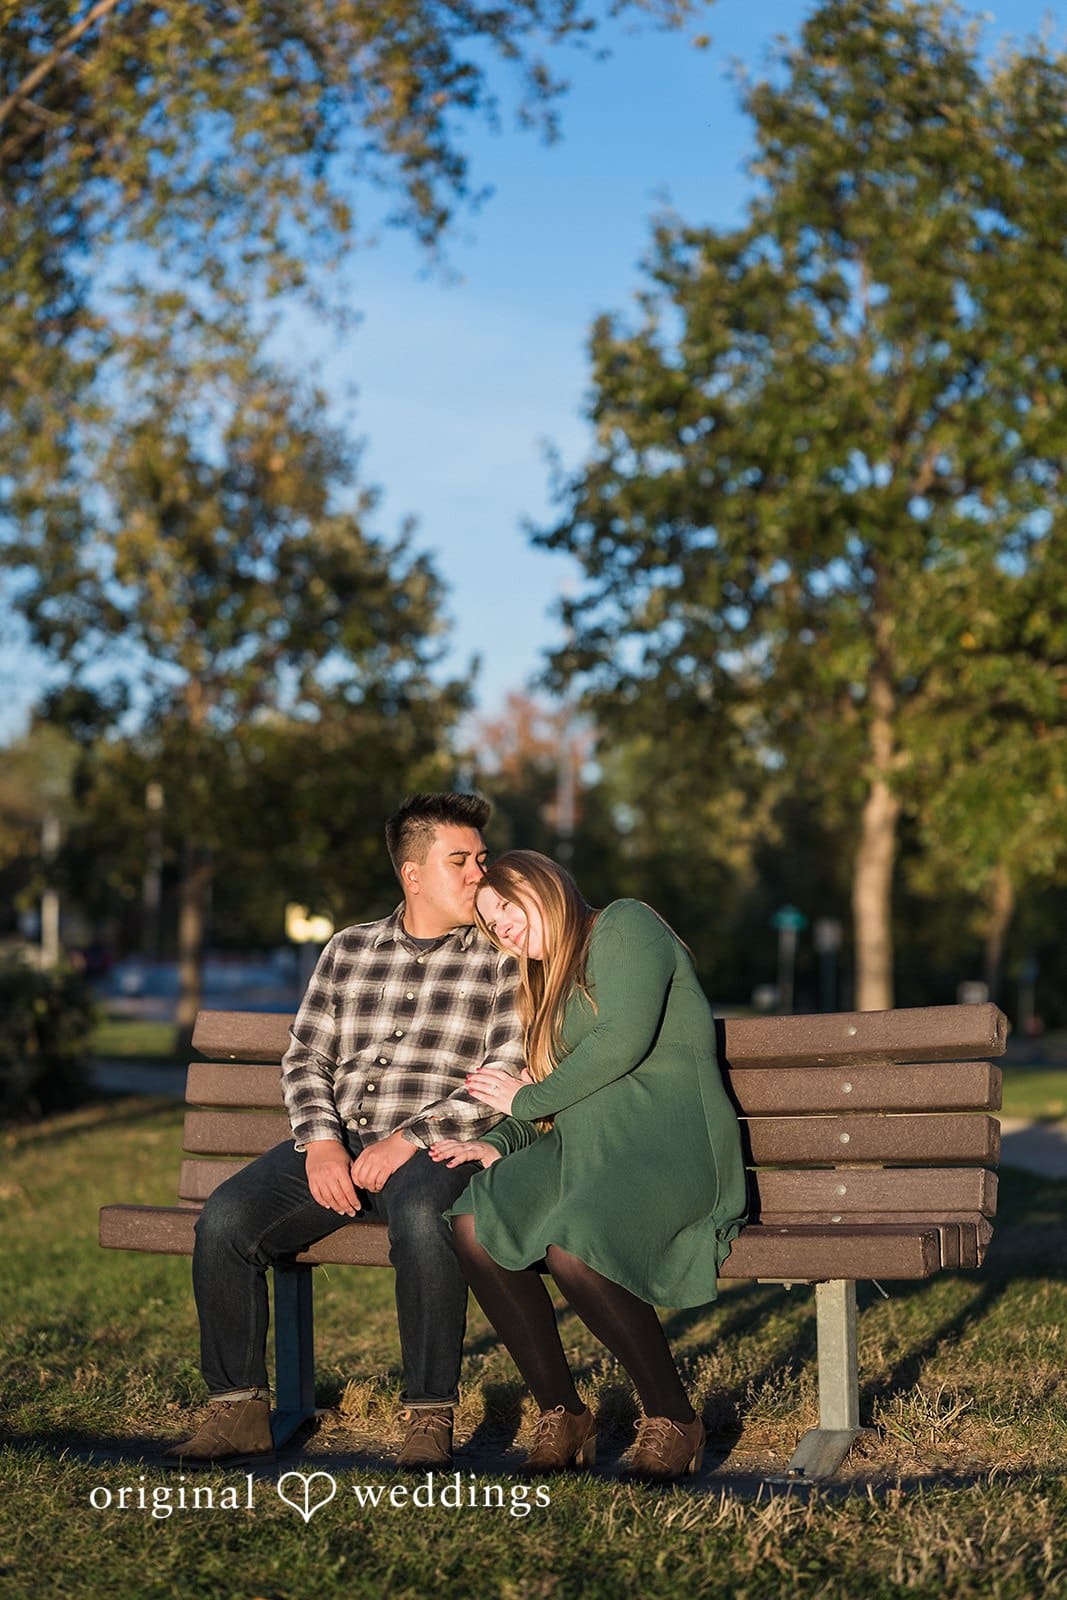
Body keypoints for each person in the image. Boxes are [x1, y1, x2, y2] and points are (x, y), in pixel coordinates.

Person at [166, 793, 525, 1471]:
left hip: (433, 1147)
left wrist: (408, 1138)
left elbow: (505, 1071)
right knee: (226, 1219)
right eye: (460, 861)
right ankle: (237, 1411)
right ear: (412, 874)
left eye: (482, 858)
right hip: (341, 1140)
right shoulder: (349, 948)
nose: (480, 873)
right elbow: (307, 1056)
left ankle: (428, 1416)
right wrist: (322, 1142)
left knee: (422, 1218)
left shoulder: (503, 955)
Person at [429, 850, 747, 1482]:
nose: (501, 927)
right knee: (475, 1223)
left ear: (544, 885)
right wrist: (504, 1140)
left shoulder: (625, 925)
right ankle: (564, 1414)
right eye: (490, 922)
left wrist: (523, 1103)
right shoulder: (545, 983)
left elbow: (620, 1040)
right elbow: (555, 1090)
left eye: (506, 906)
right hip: (583, 1150)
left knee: (574, 1248)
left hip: (666, 1148)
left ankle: (673, 1418)